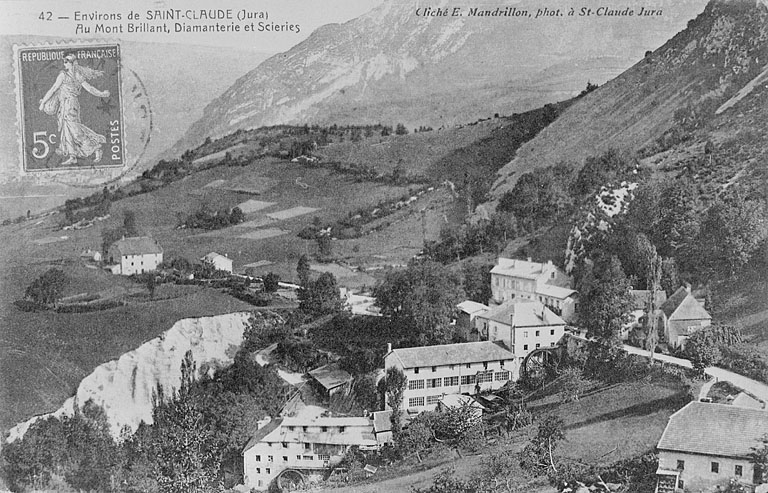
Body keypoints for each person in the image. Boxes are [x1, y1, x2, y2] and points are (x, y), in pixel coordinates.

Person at [38, 53, 110, 166]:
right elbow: (53, 89)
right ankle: (72, 156)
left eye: (67, 62)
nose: (64, 64)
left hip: (71, 105)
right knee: (67, 130)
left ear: (73, 63)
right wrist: (44, 102)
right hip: (65, 105)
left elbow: (89, 88)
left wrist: (101, 93)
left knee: (76, 132)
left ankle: (96, 148)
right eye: (64, 62)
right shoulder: (63, 75)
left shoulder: (77, 75)